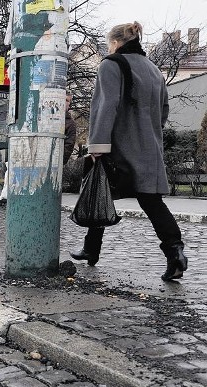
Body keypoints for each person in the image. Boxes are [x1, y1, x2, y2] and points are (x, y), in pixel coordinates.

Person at [69, 21, 187, 282]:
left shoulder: (111, 64)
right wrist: (147, 132)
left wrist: (97, 146)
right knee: (152, 203)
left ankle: (91, 249)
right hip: (149, 148)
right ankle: (175, 252)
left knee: (98, 192)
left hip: (117, 148)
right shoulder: (154, 70)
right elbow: (164, 110)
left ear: (115, 42)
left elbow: (104, 106)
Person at [64, 89, 77, 165]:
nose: (66, 103)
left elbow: (69, 145)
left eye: (67, 101)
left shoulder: (70, 123)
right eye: (64, 99)